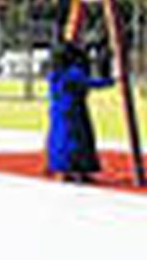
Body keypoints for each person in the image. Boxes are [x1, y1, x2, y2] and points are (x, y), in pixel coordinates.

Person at [45, 40, 112, 182]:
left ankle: (62, 168)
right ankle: (78, 169)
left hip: (58, 111)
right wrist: (111, 80)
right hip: (74, 111)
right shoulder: (73, 73)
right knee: (78, 140)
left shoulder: (54, 74)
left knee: (59, 139)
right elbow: (91, 82)